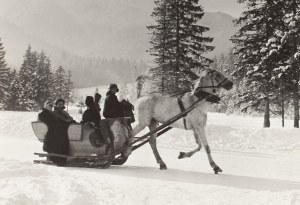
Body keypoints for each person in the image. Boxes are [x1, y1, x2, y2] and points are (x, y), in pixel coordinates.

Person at [38, 101, 69, 166]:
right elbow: (50, 123)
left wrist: (65, 123)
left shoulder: (51, 114)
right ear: (45, 106)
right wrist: (61, 125)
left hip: (54, 130)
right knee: (60, 138)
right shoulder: (43, 114)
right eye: (49, 105)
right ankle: (57, 158)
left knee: (63, 135)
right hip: (50, 132)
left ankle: (62, 157)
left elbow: (57, 121)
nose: (51, 107)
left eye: (52, 106)